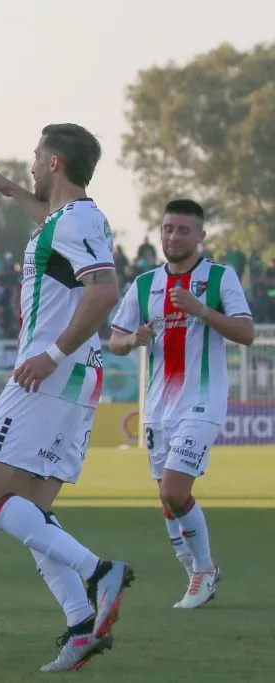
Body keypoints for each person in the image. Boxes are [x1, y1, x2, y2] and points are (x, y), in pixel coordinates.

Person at [0, 124, 135, 672]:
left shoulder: (79, 219)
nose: (33, 163)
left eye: (38, 157)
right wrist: (15, 191)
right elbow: (55, 231)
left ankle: (98, 572)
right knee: (33, 512)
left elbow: (104, 291)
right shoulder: (71, 220)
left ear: (57, 162)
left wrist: (54, 354)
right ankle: (82, 623)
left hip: (48, 377)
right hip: (73, 379)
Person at [109, 199, 254, 609]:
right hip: (159, 407)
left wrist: (203, 310)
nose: (174, 236)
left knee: (175, 491)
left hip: (202, 401)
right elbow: (116, 339)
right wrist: (132, 339)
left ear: (201, 236)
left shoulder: (220, 278)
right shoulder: (143, 284)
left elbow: (246, 333)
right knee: (165, 499)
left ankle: (203, 571)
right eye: (168, 228)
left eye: (183, 230)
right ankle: (192, 569)